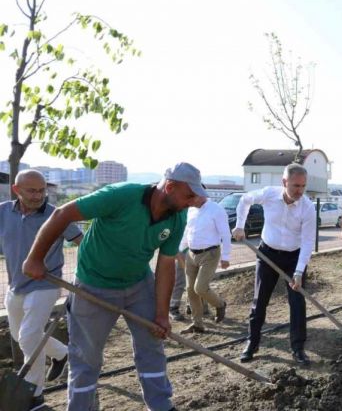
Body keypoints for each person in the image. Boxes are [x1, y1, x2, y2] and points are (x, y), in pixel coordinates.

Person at [23, 162, 206, 411]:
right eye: (189, 195)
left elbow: (165, 266)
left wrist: (162, 314)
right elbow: (62, 214)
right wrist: (35, 258)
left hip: (139, 284)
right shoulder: (120, 196)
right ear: (170, 186)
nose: (193, 201)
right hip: (93, 285)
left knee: (152, 345)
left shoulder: (178, 216)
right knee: (86, 357)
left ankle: (161, 405)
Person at [0, 170, 83, 408]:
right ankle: (61, 353)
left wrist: (86, 273)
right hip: (16, 285)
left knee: (28, 337)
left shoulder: (56, 216)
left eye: (42, 190)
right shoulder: (3, 212)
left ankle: (33, 395)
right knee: (21, 337)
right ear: (16, 190)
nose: (38, 196)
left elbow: (82, 242)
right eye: (32, 191)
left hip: (47, 283)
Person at [232, 163, 316, 365]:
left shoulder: (308, 208)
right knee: (259, 300)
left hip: (293, 257)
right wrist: (239, 226)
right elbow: (245, 200)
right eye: (296, 185)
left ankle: (298, 348)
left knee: (297, 303)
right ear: (284, 182)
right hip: (268, 253)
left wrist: (298, 272)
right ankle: (252, 343)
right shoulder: (269, 194)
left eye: (303, 186)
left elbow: (307, 242)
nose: (300, 191)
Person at [179, 195, 231, 334]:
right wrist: (179, 248)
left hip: (210, 254)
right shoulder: (191, 210)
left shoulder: (216, 209)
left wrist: (225, 257)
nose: (189, 200)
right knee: (190, 290)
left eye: (191, 197)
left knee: (200, 288)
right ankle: (197, 324)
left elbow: (226, 234)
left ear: (200, 194)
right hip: (191, 254)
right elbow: (187, 231)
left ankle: (220, 304)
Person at [168, 248, 188, 322]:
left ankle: (192, 305)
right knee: (180, 282)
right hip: (182, 251)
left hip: (197, 250)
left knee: (195, 280)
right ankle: (173, 307)